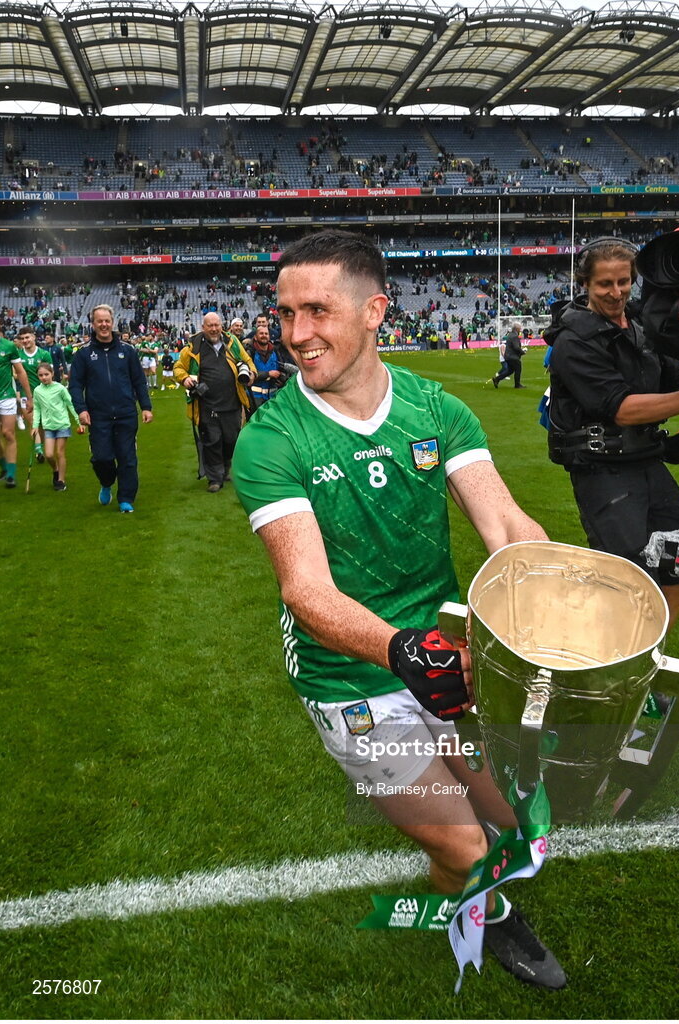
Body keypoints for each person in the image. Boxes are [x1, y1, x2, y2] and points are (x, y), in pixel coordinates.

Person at [232, 231, 565, 990]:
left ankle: (482, 873)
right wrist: (405, 653)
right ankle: (478, 905)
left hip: (443, 656)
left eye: (316, 310)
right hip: (353, 680)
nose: (294, 335)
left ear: (376, 310)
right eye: (284, 313)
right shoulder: (271, 438)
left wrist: (545, 587)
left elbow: (506, 524)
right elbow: (307, 594)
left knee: (517, 826)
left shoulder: (430, 405)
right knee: (467, 851)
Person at [545, 240, 679, 626]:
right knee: (626, 582)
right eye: (605, 284)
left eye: (624, 282)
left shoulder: (641, 324)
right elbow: (622, 409)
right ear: (585, 284)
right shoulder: (572, 342)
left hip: (648, 463)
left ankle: (651, 662)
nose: (616, 292)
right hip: (604, 472)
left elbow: (677, 378)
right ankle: (616, 672)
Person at [68, 304, 153, 513]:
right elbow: (75, 385)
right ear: (93, 324)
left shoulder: (128, 350)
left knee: (127, 458)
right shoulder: (83, 354)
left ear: (112, 322)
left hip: (125, 413)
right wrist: (81, 409)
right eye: (100, 321)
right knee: (102, 458)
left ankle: (126, 499)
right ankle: (106, 482)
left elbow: (139, 381)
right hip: (98, 416)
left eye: (107, 320)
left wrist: (146, 407)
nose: (104, 324)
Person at [174, 312, 255, 493]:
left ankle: (225, 468)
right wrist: (185, 378)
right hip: (206, 405)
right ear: (203, 327)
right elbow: (178, 367)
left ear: (222, 326)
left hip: (232, 404)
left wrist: (251, 374)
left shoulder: (232, 342)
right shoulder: (194, 346)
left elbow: (248, 361)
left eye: (216, 325)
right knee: (212, 442)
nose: (213, 329)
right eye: (209, 325)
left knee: (231, 441)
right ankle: (214, 479)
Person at [0, 310, 33, 488]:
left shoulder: (8, 346)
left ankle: (11, 475)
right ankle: (4, 469)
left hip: (7, 396)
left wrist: (28, 396)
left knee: (8, 433)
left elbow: (20, 372)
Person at [31, 362, 84, 491]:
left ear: (52, 374)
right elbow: (37, 409)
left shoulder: (60, 388)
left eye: (46, 374)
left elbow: (70, 404)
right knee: (49, 455)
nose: (44, 377)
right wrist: (35, 426)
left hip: (62, 424)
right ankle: (55, 470)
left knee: (60, 452)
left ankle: (61, 480)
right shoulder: (37, 391)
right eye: (41, 375)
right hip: (48, 426)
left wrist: (79, 421)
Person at [15, 326, 51, 462]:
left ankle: (41, 445)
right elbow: (14, 373)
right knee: (33, 423)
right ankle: (38, 450)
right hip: (26, 394)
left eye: (27, 337)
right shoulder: (18, 355)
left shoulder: (44, 354)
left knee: (43, 424)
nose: (25, 340)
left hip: (43, 394)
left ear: (33, 337)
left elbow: (49, 375)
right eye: (22, 338)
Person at [247, 323, 296, 412]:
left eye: (266, 334)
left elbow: (281, 370)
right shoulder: (250, 352)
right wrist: (268, 374)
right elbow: (247, 374)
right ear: (255, 337)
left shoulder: (276, 352)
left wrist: (282, 380)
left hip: (272, 398)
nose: (264, 336)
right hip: (253, 399)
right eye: (261, 333)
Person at [492, 323, 525, 388]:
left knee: (510, 371)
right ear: (517, 329)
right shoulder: (514, 336)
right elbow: (516, 347)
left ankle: (497, 379)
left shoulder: (510, 335)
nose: (520, 330)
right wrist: (522, 352)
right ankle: (517, 385)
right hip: (513, 357)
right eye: (520, 328)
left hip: (508, 356)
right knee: (518, 369)